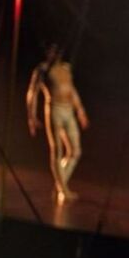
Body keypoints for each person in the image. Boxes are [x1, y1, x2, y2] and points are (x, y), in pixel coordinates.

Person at [26, 43, 88, 203]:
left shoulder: (65, 68)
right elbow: (33, 93)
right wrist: (31, 116)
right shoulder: (42, 70)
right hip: (55, 110)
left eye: (57, 51)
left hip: (69, 111)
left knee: (75, 151)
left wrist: (80, 109)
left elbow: (71, 90)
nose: (55, 54)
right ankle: (63, 189)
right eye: (51, 51)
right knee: (57, 149)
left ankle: (60, 184)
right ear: (47, 53)